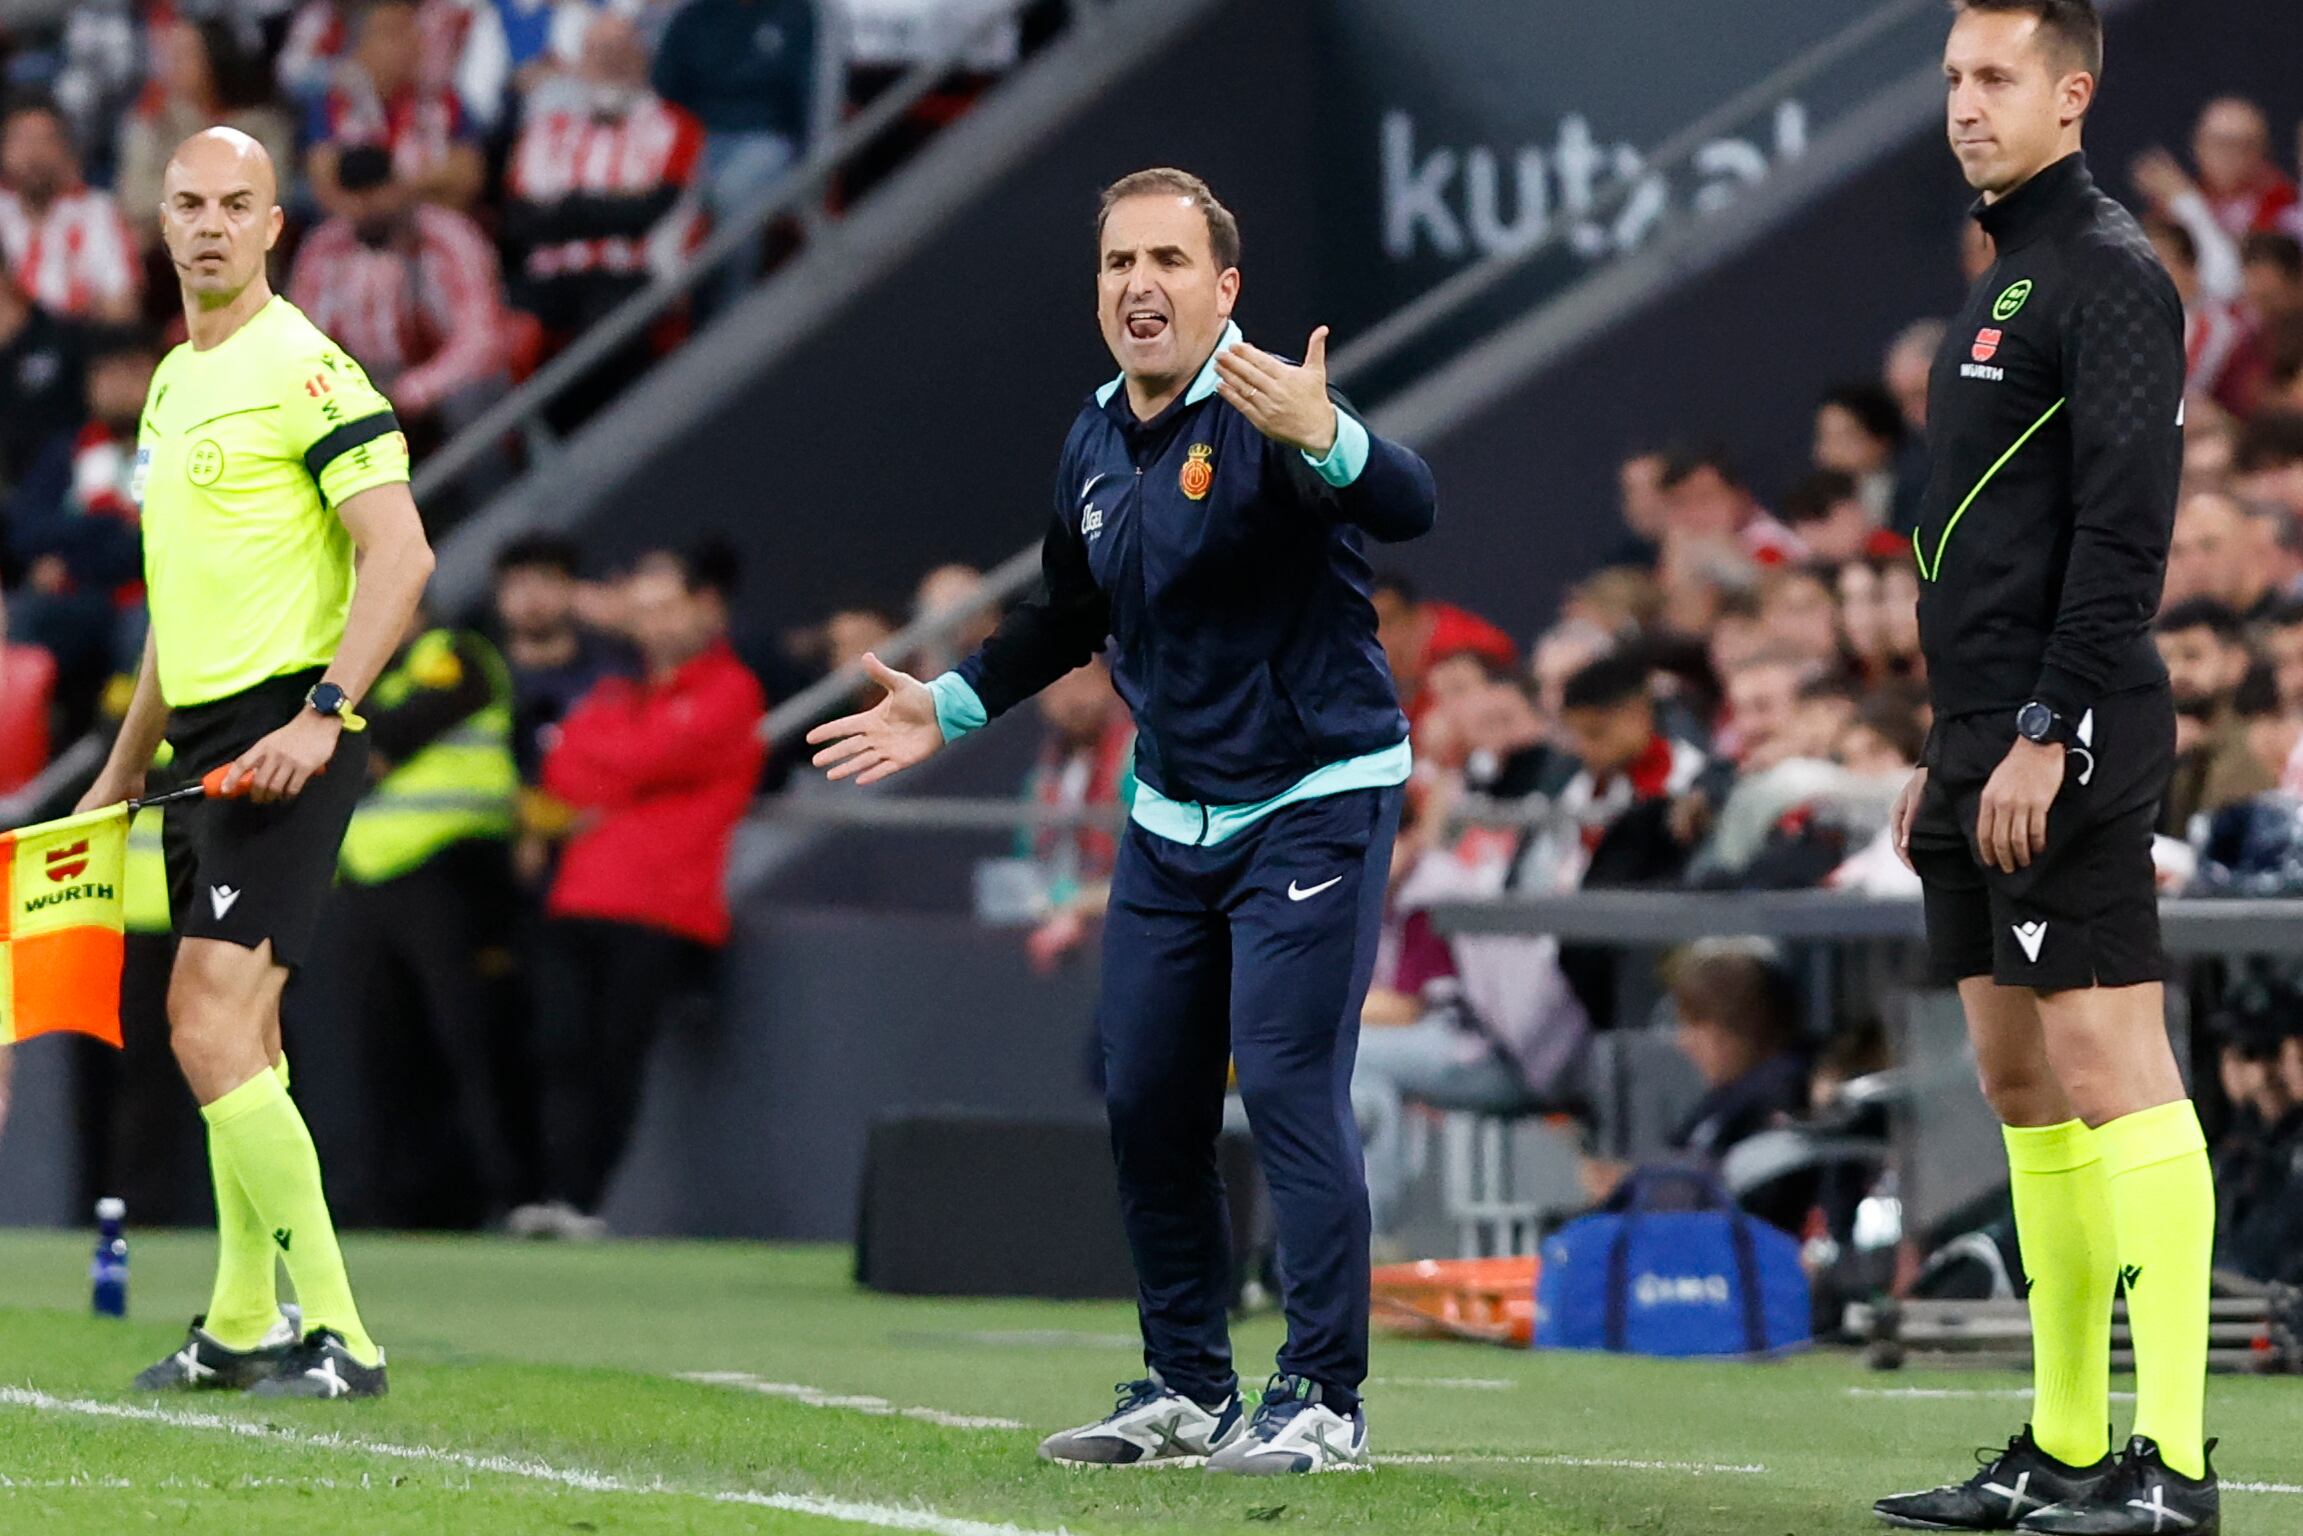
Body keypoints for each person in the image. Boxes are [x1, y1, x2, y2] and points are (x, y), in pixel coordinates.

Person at [806, 167, 1436, 1474]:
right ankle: (1186, 1387)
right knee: (1146, 1095)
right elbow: (1067, 615)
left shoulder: (1269, 406)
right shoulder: (1092, 434)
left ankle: (1321, 1396)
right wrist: (955, 703)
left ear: (1224, 288)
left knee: (1281, 1082)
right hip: (1168, 813)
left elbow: (1405, 503)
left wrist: (1333, 435)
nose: (1138, 286)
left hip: (1313, 795)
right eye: (1115, 265)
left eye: (1164, 261)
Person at [1880, 4, 2220, 1529]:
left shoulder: (2108, 272)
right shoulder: (2002, 273)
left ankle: (2175, 1471)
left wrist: (2039, 727)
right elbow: (1980, 545)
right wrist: (1938, 743)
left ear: (2069, 94)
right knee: (2016, 1085)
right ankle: (2063, 1447)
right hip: (1970, 739)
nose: (1962, 103)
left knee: (2107, 1068)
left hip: (2057, 732)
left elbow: (2120, 531)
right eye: (1951, 76)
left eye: (1994, 77)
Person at [76, 126, 436, 1400]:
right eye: (189, 203)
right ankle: (241, 1324)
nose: (212, 223)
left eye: (238, 203)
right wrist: (121, 770)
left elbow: (402, 558)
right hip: (205, 741)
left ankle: (343, 1331)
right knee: (247, 1042)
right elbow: (181, 607)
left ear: (277, 227)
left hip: (287, 731)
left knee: (203, 1026)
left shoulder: (310, 371)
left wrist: (325, 713)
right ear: (161, 223)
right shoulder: (174, 383)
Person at [522, 551, 764, 1236]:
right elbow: (563, 768)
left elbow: (641, 758)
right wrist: (615, 767)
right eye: (644, 607)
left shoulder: (730, 689)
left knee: (613, 1053)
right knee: (558, 1046)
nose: (652, 623)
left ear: (704, 609)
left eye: (666, 605)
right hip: (580, 894)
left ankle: (582, 1200)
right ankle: (554, 1192)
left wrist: (611, 766)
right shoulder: (617, 691)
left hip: (661, 903)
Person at [334, 607, 523, 1227]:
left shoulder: (456, 654)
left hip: (451, 870)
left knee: (464, 1034)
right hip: (372, 873)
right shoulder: (376, 676)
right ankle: (391, 1200)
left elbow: (394, 732)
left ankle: (501, 1193)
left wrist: (356, 740)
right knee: (379, 1046)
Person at [287, 143, 507, 452]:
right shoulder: (323, 249)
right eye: (355, 196)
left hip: (440, 382)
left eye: (376, 191)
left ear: (397, 186)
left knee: (467, 402)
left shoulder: (448, 238)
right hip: (360, 386)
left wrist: (414, 391)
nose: (367, 205)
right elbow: (302, 339)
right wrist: (349, 394)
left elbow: (479, 339)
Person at [114, 17, 297, 257]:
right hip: (166, 255)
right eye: (170, 56)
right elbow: (135, 197)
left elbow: (271, 197)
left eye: (184, 56)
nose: (173, 66)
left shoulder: (262, 127)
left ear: (215, 59)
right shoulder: (153, 122)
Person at [305, 0, 486, 217]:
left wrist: (388, 190)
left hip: (429, 232)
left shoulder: (445, 102)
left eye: (412, 30)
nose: (410, 42)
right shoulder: (332, 105)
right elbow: (327, 183)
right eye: (393, 34)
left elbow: (467, 177)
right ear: (360, 48)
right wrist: (420, 184)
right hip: (354, 234)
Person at [0, 97, 140, 322]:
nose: (34, 154)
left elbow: (121, 304)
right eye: (22, 140)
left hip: (79, 345)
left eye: (46, 140)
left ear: (64, 150)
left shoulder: (98, 211)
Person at [2153, 598, 2273, 835]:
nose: (2175, 672)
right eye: (2164, 659)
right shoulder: (2150, 743)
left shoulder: (2259, 746)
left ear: (2235, 662)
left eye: (2192, 656)